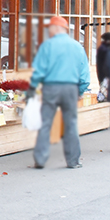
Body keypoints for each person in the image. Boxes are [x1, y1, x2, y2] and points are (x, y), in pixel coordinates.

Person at [29, 15, 92, 170]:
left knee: (45, 123)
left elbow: (38, 71)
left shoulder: (47, 46)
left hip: (51, 88)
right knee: (70, 124)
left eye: (50, 28)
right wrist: (81, 90)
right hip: (70, 88)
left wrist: (33, 88)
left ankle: (40, 160)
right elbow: (84, 74)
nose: (49, 31)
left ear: (57, 28)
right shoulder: (77, 47)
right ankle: (73, 161)